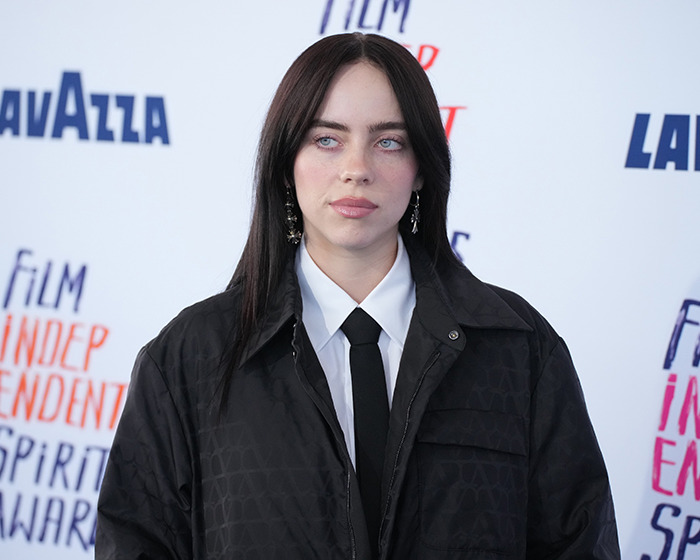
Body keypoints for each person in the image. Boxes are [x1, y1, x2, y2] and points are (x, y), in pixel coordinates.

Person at [96, 32, 620, 559]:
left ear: (421, 168)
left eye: (388, 142)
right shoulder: (190, 360)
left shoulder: (518, 348)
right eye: (327, 139)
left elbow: (577, 542)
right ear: (285, 162)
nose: (356, 169)